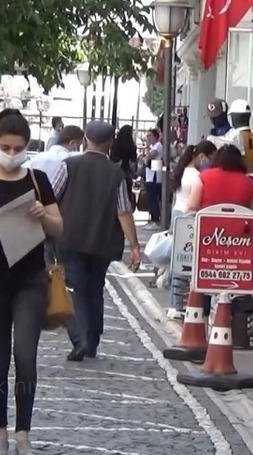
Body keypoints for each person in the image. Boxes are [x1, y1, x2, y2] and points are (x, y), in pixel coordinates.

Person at [0, 111, 63, 455]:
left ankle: (24, 434)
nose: (11, 152)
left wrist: (42, 215)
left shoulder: (37, 179)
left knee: (26, 355)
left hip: (31, 280)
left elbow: (59, 229)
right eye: (5, 146)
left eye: (18, 147)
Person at [51, 121, 141, 361]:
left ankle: (81, 338)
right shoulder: (116, 174)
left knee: (74, 288)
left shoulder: (69, 165)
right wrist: (134, 246)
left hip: (69, 238)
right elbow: (124, 211)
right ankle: (92, 340)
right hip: (103, 242)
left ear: (85, 140)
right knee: (95, 288)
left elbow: (51, 197)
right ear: (110, 143)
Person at [166, 140, 217, 320]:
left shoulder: (182, 171)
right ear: (202, 156)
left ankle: (175, 303)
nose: (211, 162)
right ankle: (178, 304)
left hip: (178, 214)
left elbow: (175, 199)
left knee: (178, 261)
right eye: (211, 158)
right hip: (190, 218)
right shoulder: (197, 176)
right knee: (186, 261)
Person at [185, 144, 253, 214]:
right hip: (239, 228)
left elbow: (191, 207)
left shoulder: (203, 178)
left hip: (208, 227)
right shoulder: (251, 184)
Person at [111, 125, 139, 211]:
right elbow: (133, 161)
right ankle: (126, 213)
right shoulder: (131, 145)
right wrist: (134, 172)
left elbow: (112, 157)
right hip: (126, 172)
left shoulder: (115, 142)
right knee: (126, 195)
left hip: (115, 171)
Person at [141, 128, 163, 225]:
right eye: (147, 136)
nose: (148, 138)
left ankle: (155, 219)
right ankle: (152, 218)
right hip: (150, 174)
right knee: (151, 198)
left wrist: (147, 147)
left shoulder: (158, 146)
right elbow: (145, 160)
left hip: (155, 175)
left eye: (150, 136)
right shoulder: (153, 147)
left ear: (155, 136)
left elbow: (148, 158)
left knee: (153, 198)